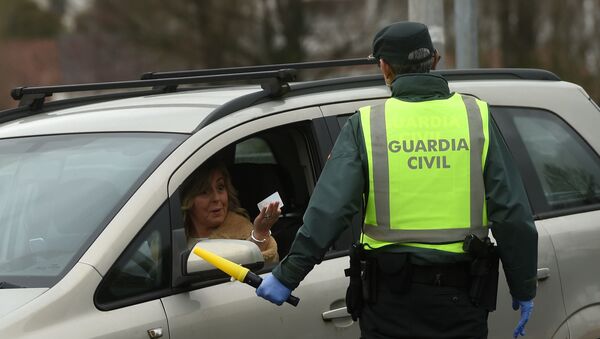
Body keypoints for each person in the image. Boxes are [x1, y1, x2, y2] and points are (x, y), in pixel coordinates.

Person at [257, 21, 538, 338]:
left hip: (390, 303)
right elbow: (512, 213)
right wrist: (523, 284)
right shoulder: (477, 117)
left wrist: (287, 275)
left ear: (384, 66)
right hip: (461, 302)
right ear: (434, 59)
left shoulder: (367, 125)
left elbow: (329, 212)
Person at [182, 159, 281, 263]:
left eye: (220, 188)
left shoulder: (243, 232)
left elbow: (263, 266)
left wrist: (260, 234)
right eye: (204, 192)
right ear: (187, 199)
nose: (216, 198)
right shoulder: (169, 236)